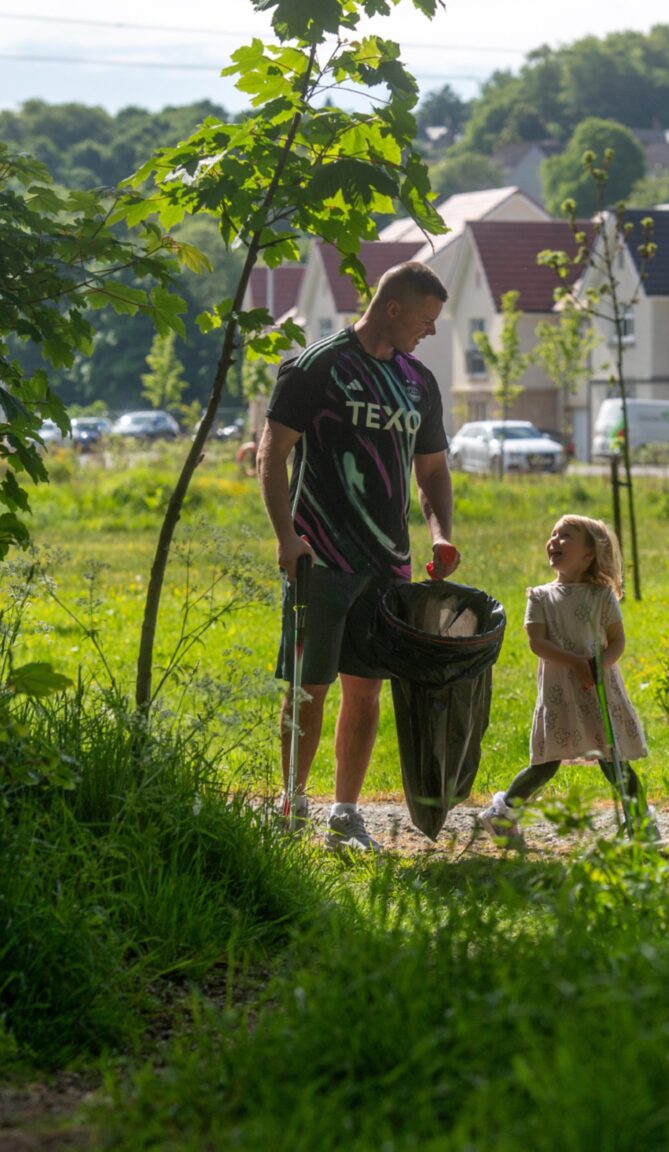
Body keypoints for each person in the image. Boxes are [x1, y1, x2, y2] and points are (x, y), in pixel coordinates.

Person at [257, 261, 460, 852]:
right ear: (392, 308)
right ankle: (293, 806)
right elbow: (272, 455)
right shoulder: (315, 366)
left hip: (387, 564)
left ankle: (345, 813)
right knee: (307, 689)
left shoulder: (419, 382)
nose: (431, 331)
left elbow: (434, 469)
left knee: (366, 690)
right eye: (426, 319)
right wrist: (285, 536)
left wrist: (439, 532)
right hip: (317, 559)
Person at [478, 515, 652, 843]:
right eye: (554, 534)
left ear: (589, 553)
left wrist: (599, 667)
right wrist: (576, 663)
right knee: (547, 760)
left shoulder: (602, 596)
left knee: (613, 758)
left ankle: (640, 822)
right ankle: (502, 814)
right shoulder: (540, 597)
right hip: (561, 692)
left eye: (566, 536)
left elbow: (617, 641)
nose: (555, 541)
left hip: (599, 689)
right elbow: (537, 643)